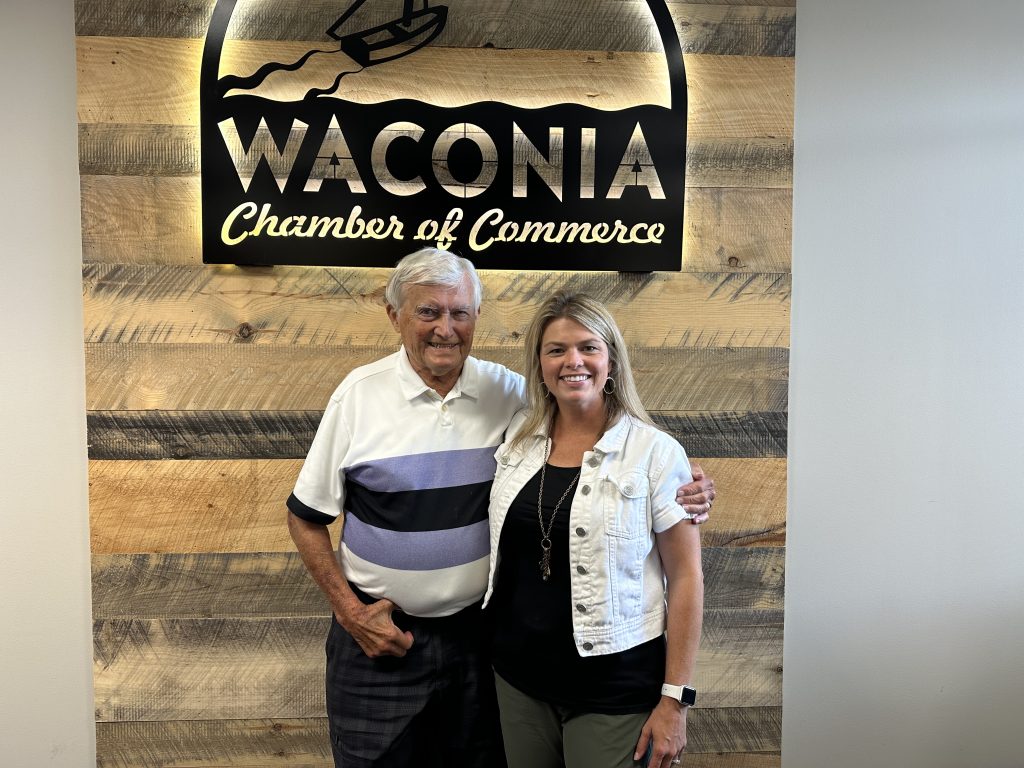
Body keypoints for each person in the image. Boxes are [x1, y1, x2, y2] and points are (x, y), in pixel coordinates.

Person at [287, 249, 716, 767]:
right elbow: (305, 516)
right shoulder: (358, 397)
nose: (445, 328)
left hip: (479, 641)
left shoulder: (511, 396)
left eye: (459, 312)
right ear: (394, 314)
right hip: (382, 639)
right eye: (428, 312)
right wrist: (352, 614)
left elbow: (605, 436)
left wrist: (684, 484)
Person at [483, 291, 704, 768]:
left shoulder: (655, 453)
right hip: (519, 680)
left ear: (611, 360)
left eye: (588, 347)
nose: (572, 362)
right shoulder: (518, 439)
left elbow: (686, 580)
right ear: (539, 363)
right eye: (556, 350)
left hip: (614, 687)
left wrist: (675, 700)